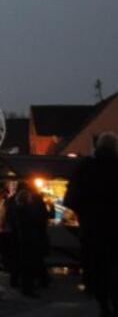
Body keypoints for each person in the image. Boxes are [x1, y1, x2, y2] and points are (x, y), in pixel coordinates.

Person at [65, 132, 118, 316]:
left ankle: (103, 304)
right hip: (114, 229)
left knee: (98, 266)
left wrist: (84, 212)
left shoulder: (85, 168)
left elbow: (70, 199)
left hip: (92, 228)